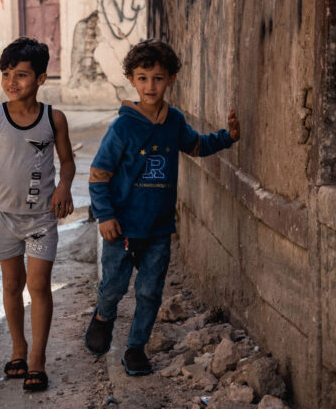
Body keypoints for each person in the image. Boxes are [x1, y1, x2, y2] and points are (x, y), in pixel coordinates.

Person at [84, 39, 241, 375]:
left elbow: (196, 144)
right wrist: (105, 215)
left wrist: (227, 137)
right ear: (131, 80)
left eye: (157, 78)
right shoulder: (122, 127)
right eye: (142, 78)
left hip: (158, 227)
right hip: (121, 227)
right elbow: (98, 175)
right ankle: (103, 315)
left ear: (170, 78)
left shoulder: (174, 121)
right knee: (113, 286)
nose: (150, 85)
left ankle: (136, 347)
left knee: (150, 291)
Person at [0, 37, 76, 392]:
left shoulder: (54, 119)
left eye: (21, 75)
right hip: (5, 216)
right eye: (7, 74)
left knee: (38, 285)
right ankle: (18, 348)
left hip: (41, 217)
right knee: (11, 284)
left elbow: (67, 161)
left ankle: (37, 358)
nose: (12, 82)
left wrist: (64, 186)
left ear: (40, 79)